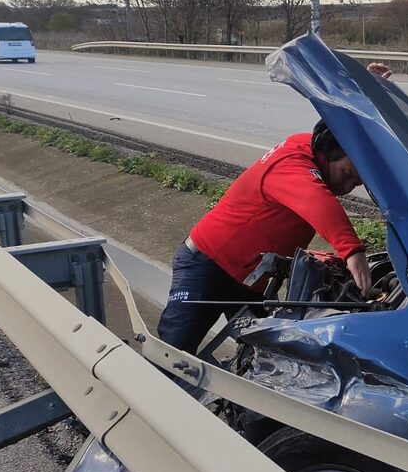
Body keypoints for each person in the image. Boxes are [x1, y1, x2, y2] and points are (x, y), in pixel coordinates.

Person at [158, 62, 392, 353]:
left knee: (266, 356)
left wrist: (366, 93)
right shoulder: (293, 161)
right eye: (346, 176)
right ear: (329, 151)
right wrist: (353, 253)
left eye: (355, 183)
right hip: (207, 265)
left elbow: (347, 129)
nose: (347, 188)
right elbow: (317, 201)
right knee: (173, 351)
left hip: (248, 281)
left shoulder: (320, 151)